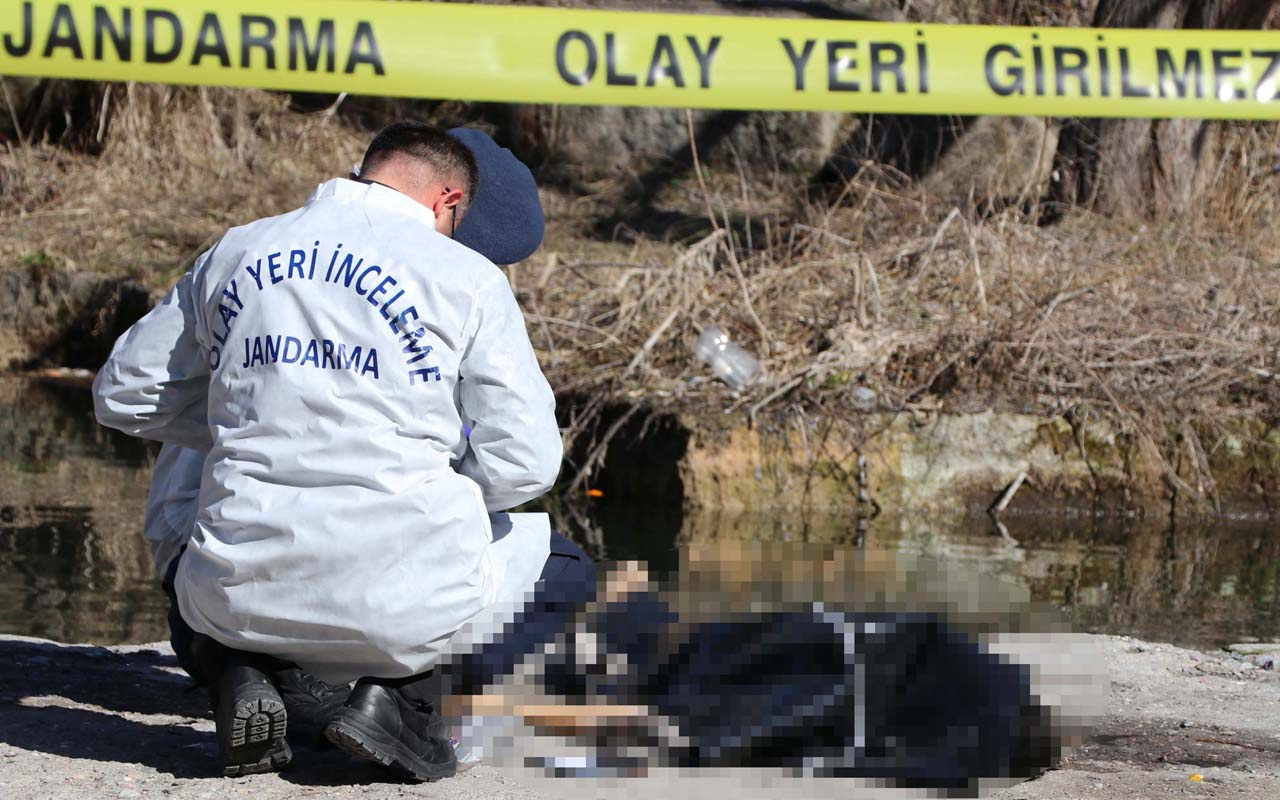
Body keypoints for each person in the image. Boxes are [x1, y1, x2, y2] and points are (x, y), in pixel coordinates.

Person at [95, 122, 584, 780]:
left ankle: (235, 668)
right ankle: (404, 709)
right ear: (449, 204)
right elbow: (526, 462)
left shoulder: (240, 249)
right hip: (394, 615)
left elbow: (123, 393)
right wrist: (440, 488)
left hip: (226, 603)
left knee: (218, 588)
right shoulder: (463, 280)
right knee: (567, 576)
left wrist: (247, 420)